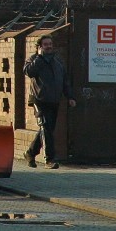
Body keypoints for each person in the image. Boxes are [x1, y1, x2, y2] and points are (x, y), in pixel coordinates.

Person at [23, 35, 76, 169]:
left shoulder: (57, 62)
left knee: (47, 130)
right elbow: (29, 72)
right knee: (45, 127)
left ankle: (30, 153)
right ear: (39, 47)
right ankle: (49, 160)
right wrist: (39, 58)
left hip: (54, 101)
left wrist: (70, 97)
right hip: (39, 100)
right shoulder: (34, 60)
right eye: (45, 44)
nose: (49, 46)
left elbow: (65, 81)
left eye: (50, 44)